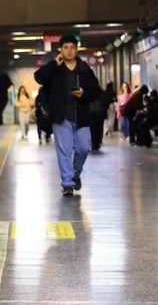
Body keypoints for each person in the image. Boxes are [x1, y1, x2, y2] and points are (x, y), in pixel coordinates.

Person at [34, 34, 102, 197]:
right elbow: (38, 77)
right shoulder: (55, 68)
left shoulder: (84, 69)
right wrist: (53, 64)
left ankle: (75, 174)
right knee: (64, 151)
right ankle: (67, 183)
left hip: (81, 116)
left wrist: (84, 93)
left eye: (72, 47)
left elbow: (96, 91)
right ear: (61, 50)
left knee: (84, 148)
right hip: (60, 116)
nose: (69, 51)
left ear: (77, 50)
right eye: (66, 47)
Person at [89, 82, 116, 151]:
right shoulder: (102, 93)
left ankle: (94, 142)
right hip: (100, 112)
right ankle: (98, 141)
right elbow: (107, 101)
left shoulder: (89, 93)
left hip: (92, 113)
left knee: (93, 128)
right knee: (99, 127)